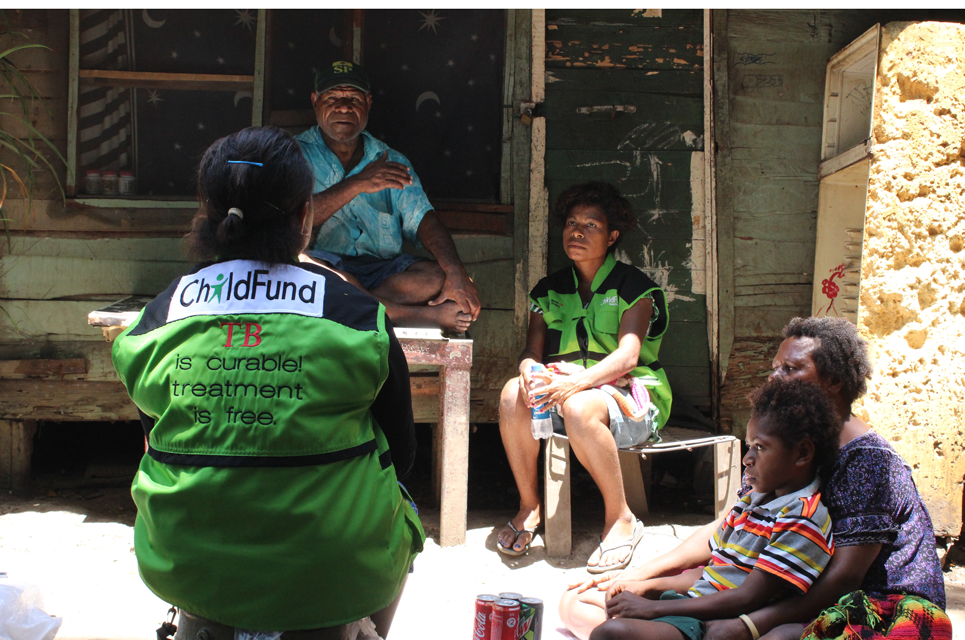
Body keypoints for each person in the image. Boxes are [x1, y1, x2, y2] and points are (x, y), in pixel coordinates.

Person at [111, 126, 424, 637]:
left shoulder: (158, 317)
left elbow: (157, 438)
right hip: (338, 574)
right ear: (306, 216)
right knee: (400, 498)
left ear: (208, 214)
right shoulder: (355, 314)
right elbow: (403, 456)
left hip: (184, 567)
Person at [560, 316, 950, 640]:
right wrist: (638, 577)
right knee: (578, 605)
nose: (775, 378)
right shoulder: (775, 448)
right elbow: (726, 528)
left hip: (871, 605)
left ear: (834, 382)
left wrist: (747, 625)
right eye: (775, 367)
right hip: (769, 587)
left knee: (774, 637)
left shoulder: (868, 461)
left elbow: (844, 579)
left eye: (791, 369)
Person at [496, 181, 672, 573]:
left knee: (577, 406)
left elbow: (628, 355)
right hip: (564, 392)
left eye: (590, 225)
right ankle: (530, 507)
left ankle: (621, 517)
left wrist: (575, 383)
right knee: (512, 395)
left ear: (611, 236)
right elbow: (532, 350)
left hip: (628, 398)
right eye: (572, 223)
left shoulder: (635, 287)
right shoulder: (549, 290)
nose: (577, 232)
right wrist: (529, 370)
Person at [593, 379, 839, 640]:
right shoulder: (752, 502)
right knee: (573, 604)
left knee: (611, 633)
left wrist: (652, 609)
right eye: (748, 445)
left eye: (760, 447)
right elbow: (710, 572)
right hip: (687, 604)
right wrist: (643, 588)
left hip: (712, 622)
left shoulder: (803, 518)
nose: (747, 458)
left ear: (802, 453)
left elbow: (747, 598)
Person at [295, 60, 480, 334]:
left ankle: (359, 308)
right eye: (332, 97)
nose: (343, 106)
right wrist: (358, 183)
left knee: (436, 276)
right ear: (314, 101)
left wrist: (456, 272)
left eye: (353, 98)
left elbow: (424, 220)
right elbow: (291, 224)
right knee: (306, 268)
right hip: (326, 264)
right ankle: (416, 316)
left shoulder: (392, 159)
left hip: (383, 273)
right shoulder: (294, 155)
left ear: (368, 102)